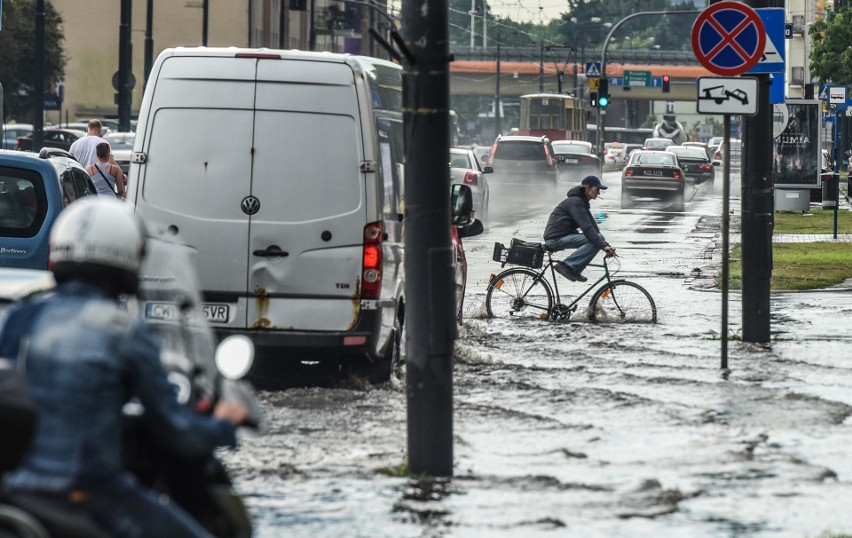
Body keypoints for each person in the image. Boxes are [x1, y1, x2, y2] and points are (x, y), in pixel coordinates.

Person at [0, 198, 249, 537]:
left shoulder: (21, 318)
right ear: (128, 255)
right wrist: (225, 423)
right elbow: (177, 432)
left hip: (19, 490)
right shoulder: (125, 331)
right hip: (93, 494)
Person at [543, 175, 616, 282]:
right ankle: (568, 266)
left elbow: (593, 228)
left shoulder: (581, 202)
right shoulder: (575, 202)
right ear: (588, 188)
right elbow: (586, 228)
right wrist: (602, 245)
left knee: (598, 238)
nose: (598, 193)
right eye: (597, 189)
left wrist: (605, 245)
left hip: (562, 237)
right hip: (555, 239)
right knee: (595, 240)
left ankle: (574, 269)